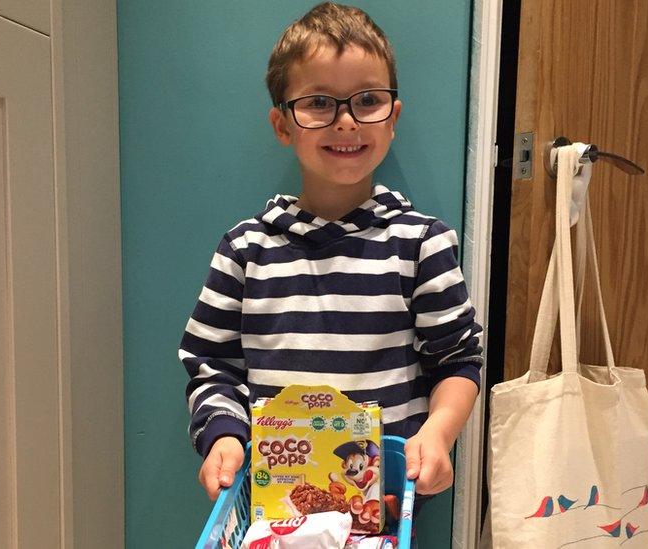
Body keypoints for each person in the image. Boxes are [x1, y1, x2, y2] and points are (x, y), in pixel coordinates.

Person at [179, 1, 483, 519]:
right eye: (319, 102)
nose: (346, 122)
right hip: (275, 508)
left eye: (368, 100)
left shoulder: (422, 243)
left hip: (384, 502)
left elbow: (457, 359)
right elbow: (212, 367)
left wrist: (439, 432)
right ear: (282, 125)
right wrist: (223, 438)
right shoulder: (245, 251)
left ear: (393, 119)